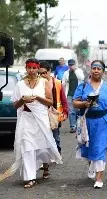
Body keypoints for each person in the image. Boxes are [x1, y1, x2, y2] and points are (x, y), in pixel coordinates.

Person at [0, 58, 62, 188]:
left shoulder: (44, 83)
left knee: (43, 148)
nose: (31, 70)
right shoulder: (20, 85)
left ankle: (45, 166)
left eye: (34, 68)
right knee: (27, 148)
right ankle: (30, 178)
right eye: (29, 68)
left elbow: (51, 102)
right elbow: (16, 105)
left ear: (37, 68)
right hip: (26, 120)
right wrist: (23, 100)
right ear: (26, 68)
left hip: (40, 120)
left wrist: (38, 98)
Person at [72, 60, 107, 189]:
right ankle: (92, 164)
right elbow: (75, 102)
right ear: (91, 70)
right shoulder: (83, 85)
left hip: (103, 120)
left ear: (103, 71)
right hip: (87, 121)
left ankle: (99, 178)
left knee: (100, 148)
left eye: (99, 69)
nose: (96, 71)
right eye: (94, 68)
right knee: (88, 147)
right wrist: (84, 104)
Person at [39, 61, 69, 155]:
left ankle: (57, 153)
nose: (43, 75)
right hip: (41, 113)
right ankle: (46, 156)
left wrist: (65, 111)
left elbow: (63, 98)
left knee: (55, 135)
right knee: (43, 136)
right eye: (40, 73)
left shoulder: (57, 82)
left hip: (54, 114)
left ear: (49, 71)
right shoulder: (37, 83)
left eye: (44, 72)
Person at [62, 59, 85, 133]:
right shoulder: (66, 73)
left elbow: (82, 78)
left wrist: (75, 70)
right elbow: (63, 83)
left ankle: (79, 125)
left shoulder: (79, 71)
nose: (71, 66)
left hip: (78, 94)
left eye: (72, 65)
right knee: (71, 111)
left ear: (75, 64)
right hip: (69, 94)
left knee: (78, 110)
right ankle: (73, 126)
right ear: (68, 65)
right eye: (70, 65)